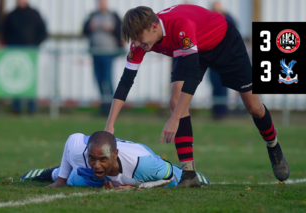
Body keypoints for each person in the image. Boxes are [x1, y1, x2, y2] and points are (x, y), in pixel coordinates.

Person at [103, 5, 290, 187]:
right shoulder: (142, 41)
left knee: (254, 108)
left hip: (224, 43)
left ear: (154, 27)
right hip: (192, 50)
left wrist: (175, 118)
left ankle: (273, 145)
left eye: (138, 38)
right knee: (175, 100)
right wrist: (109, 126)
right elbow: (125, 82)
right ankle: (189, 173)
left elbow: (192, 76)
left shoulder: (180, 26)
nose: (136, 44)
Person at [20, 131, 210, 188]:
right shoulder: (81, 151)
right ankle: (49, 173)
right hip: (107, 172)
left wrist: (136, 187)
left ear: (115, 155)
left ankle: (197, 176)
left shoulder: (144, 164)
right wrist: (60, 179)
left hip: (145, 168)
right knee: (72, 179)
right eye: (92, 159)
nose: (96, 164)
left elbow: (168, 177)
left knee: (175, 180)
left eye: (102, 159)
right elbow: (71, 140)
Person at [2, 0, 47, 115]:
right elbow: (5, 33)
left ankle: (31, 107)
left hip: (30, 53)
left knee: (30, 81)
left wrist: (34, 44)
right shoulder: (11, 15)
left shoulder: (34, 14)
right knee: (16, 81)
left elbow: (42, 32)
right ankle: (16, 107)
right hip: (14, 52)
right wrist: (11, 45)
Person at [83, 0, 123, 116]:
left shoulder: (113, 16)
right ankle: (104, 106)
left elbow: (121, 31)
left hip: (108, 53)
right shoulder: (93, 16)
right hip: (96, 53)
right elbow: (84, 30)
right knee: (99, 80)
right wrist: (90, 27)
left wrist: (111, 29)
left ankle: (112, 108)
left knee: (108, 80)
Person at [208, 1, 237, 120]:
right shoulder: (209, 19)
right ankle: (216, 111)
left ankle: (222, 111)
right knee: (215, 85)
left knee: (223, 85)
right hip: (212, 59)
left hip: (224, 60)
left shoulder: (229, 19)